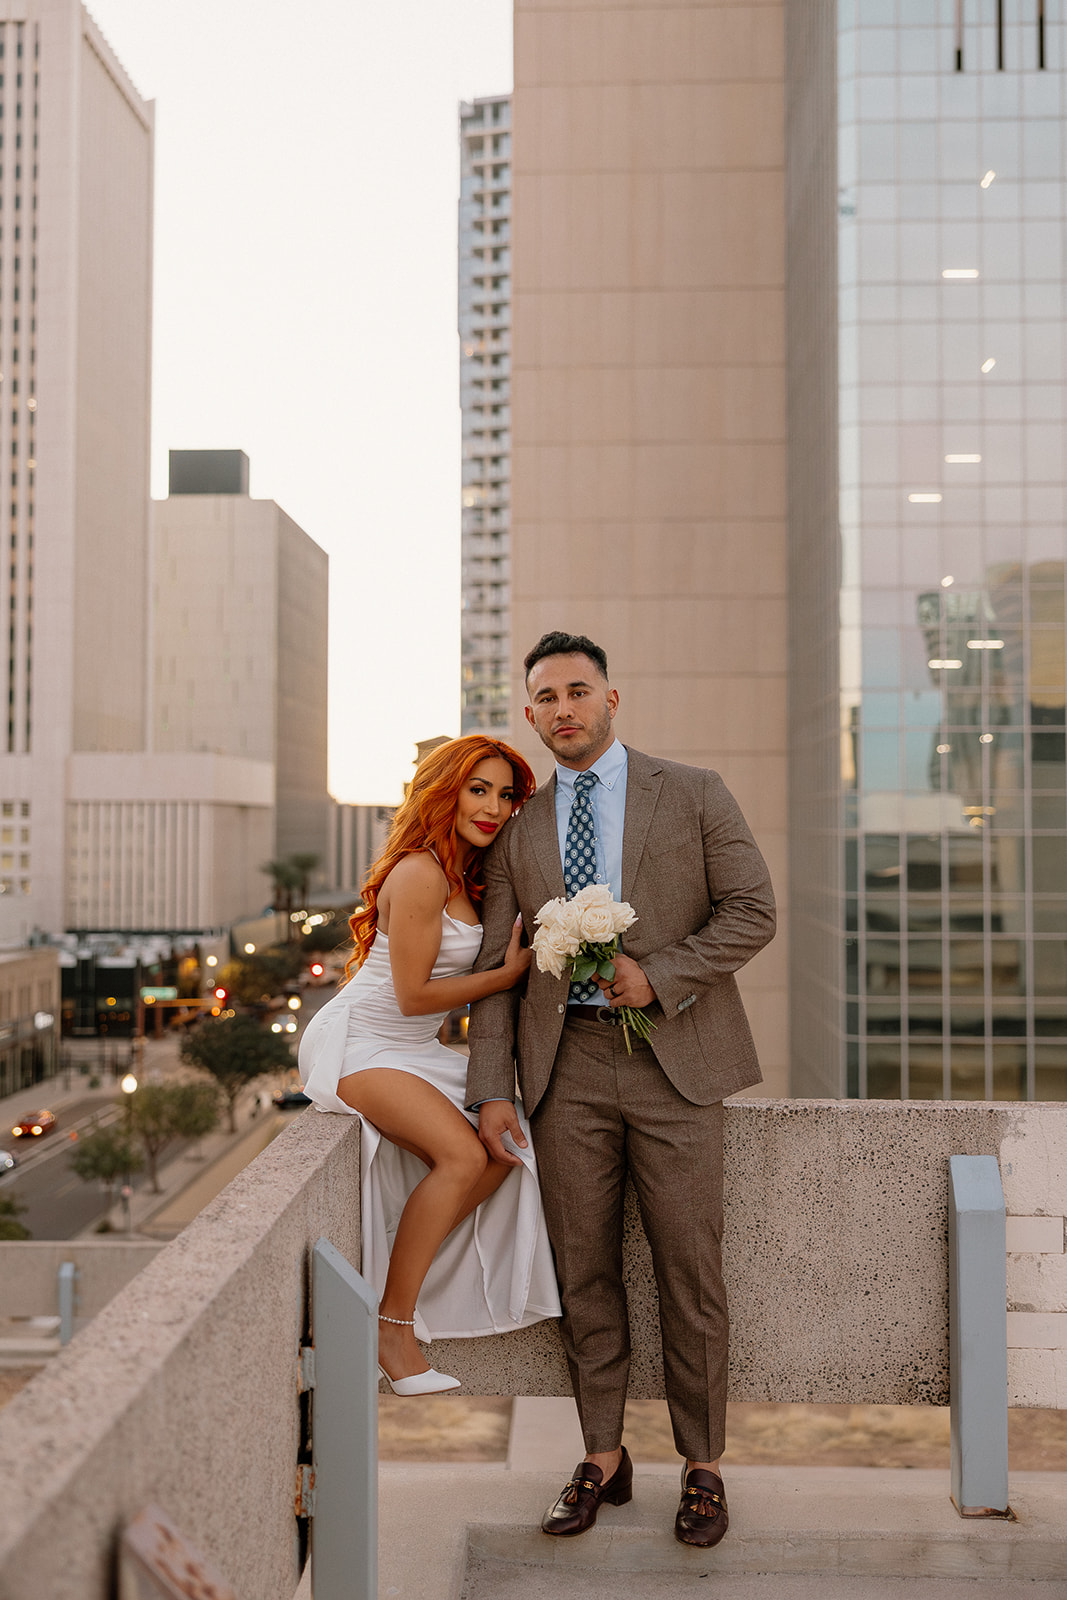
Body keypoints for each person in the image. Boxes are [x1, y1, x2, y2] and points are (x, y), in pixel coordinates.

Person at [467, 632, 775, 1547]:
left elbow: (752, 912)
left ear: (611, 699)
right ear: (528, 715)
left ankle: (704, 1465)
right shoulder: (517, 831)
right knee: (584, 1273)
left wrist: (661, 974)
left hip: (676, 1063)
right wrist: (491, 1090)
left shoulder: (693, 792)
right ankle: (601, 1456)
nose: (562, 709)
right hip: (565, 1077)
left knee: (690, 1270)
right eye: (544, 698)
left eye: (577, 691)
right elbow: (496, 971)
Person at [300, 736, 561, 1396]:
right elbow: (413, 995)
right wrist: (505, 974)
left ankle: (402, 1277)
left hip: (413, 1049)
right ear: (445, 791)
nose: (495, 807)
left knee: (506, 1148)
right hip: (360, 1042)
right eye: (479, 789)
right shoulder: (418, 872)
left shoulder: (467, 875)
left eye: (506, 795)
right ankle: (393, 1326)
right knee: (465, 1157)